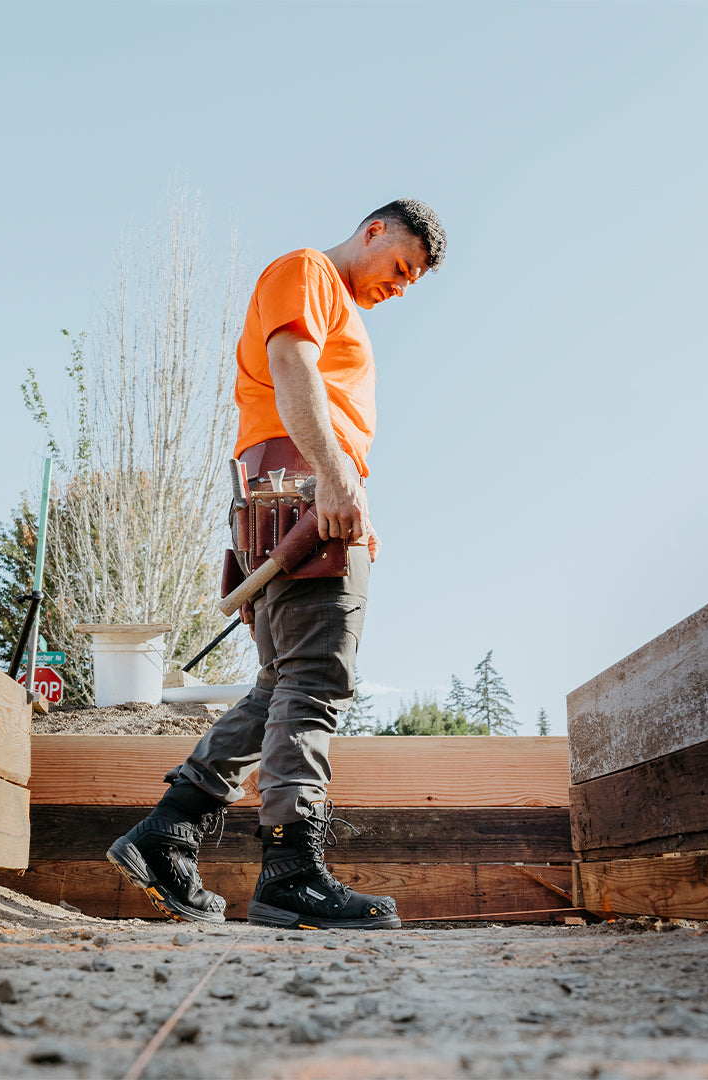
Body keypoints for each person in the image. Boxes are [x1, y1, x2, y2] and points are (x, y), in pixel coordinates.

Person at [106, 198, 447, 929]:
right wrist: (332, 475)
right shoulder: (309, 272)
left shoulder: (335, 300)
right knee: (316, 682)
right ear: (374, 231)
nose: (403, 284)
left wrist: (346, 493)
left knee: (280, 686)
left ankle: (169, 832)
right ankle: (291, 870)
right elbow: (290, 362)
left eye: (415, 281)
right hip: (301, 498)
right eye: (402, 266)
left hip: (293, 500)